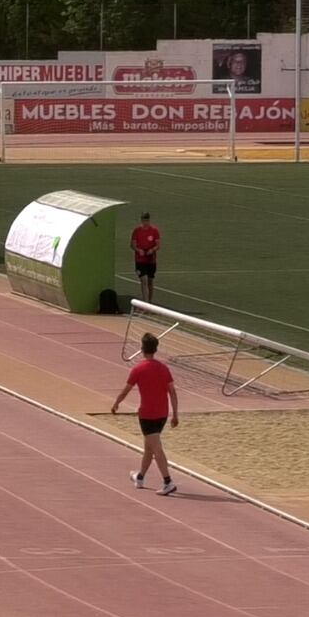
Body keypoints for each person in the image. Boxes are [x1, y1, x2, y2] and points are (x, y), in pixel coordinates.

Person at [112, 333, 179, 496]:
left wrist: (116, 403)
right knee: (149, 447)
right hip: (162, 414)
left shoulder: (138, 369)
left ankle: (168, 481)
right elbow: (172, 392)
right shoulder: (164, 368)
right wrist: (175, 414)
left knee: (156, 448)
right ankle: (140, 477)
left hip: (147, 415)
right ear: (156, 349)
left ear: (142, 349)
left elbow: (126, 390)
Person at [131, 212, 161, 303]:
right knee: (143, 280)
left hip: (151, 259)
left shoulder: (154, 230)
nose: (145, 222)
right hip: (140, 260)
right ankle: (145, 302)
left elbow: (158, 245)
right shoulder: (137, 231)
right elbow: (132, 244)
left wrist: (152, 250)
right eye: (143, 220)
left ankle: (150, 302)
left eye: (147, 220)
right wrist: (138, 250)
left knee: (150, 281)